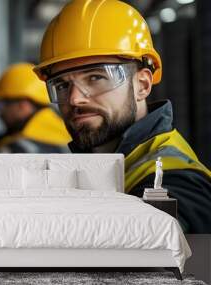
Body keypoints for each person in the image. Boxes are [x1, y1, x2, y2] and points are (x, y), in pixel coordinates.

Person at [32, 0, 211, 233]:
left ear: (142, 85)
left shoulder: (171, 176)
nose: (75, 99)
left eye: (95, 78)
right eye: (63, 86)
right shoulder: (107, 165)